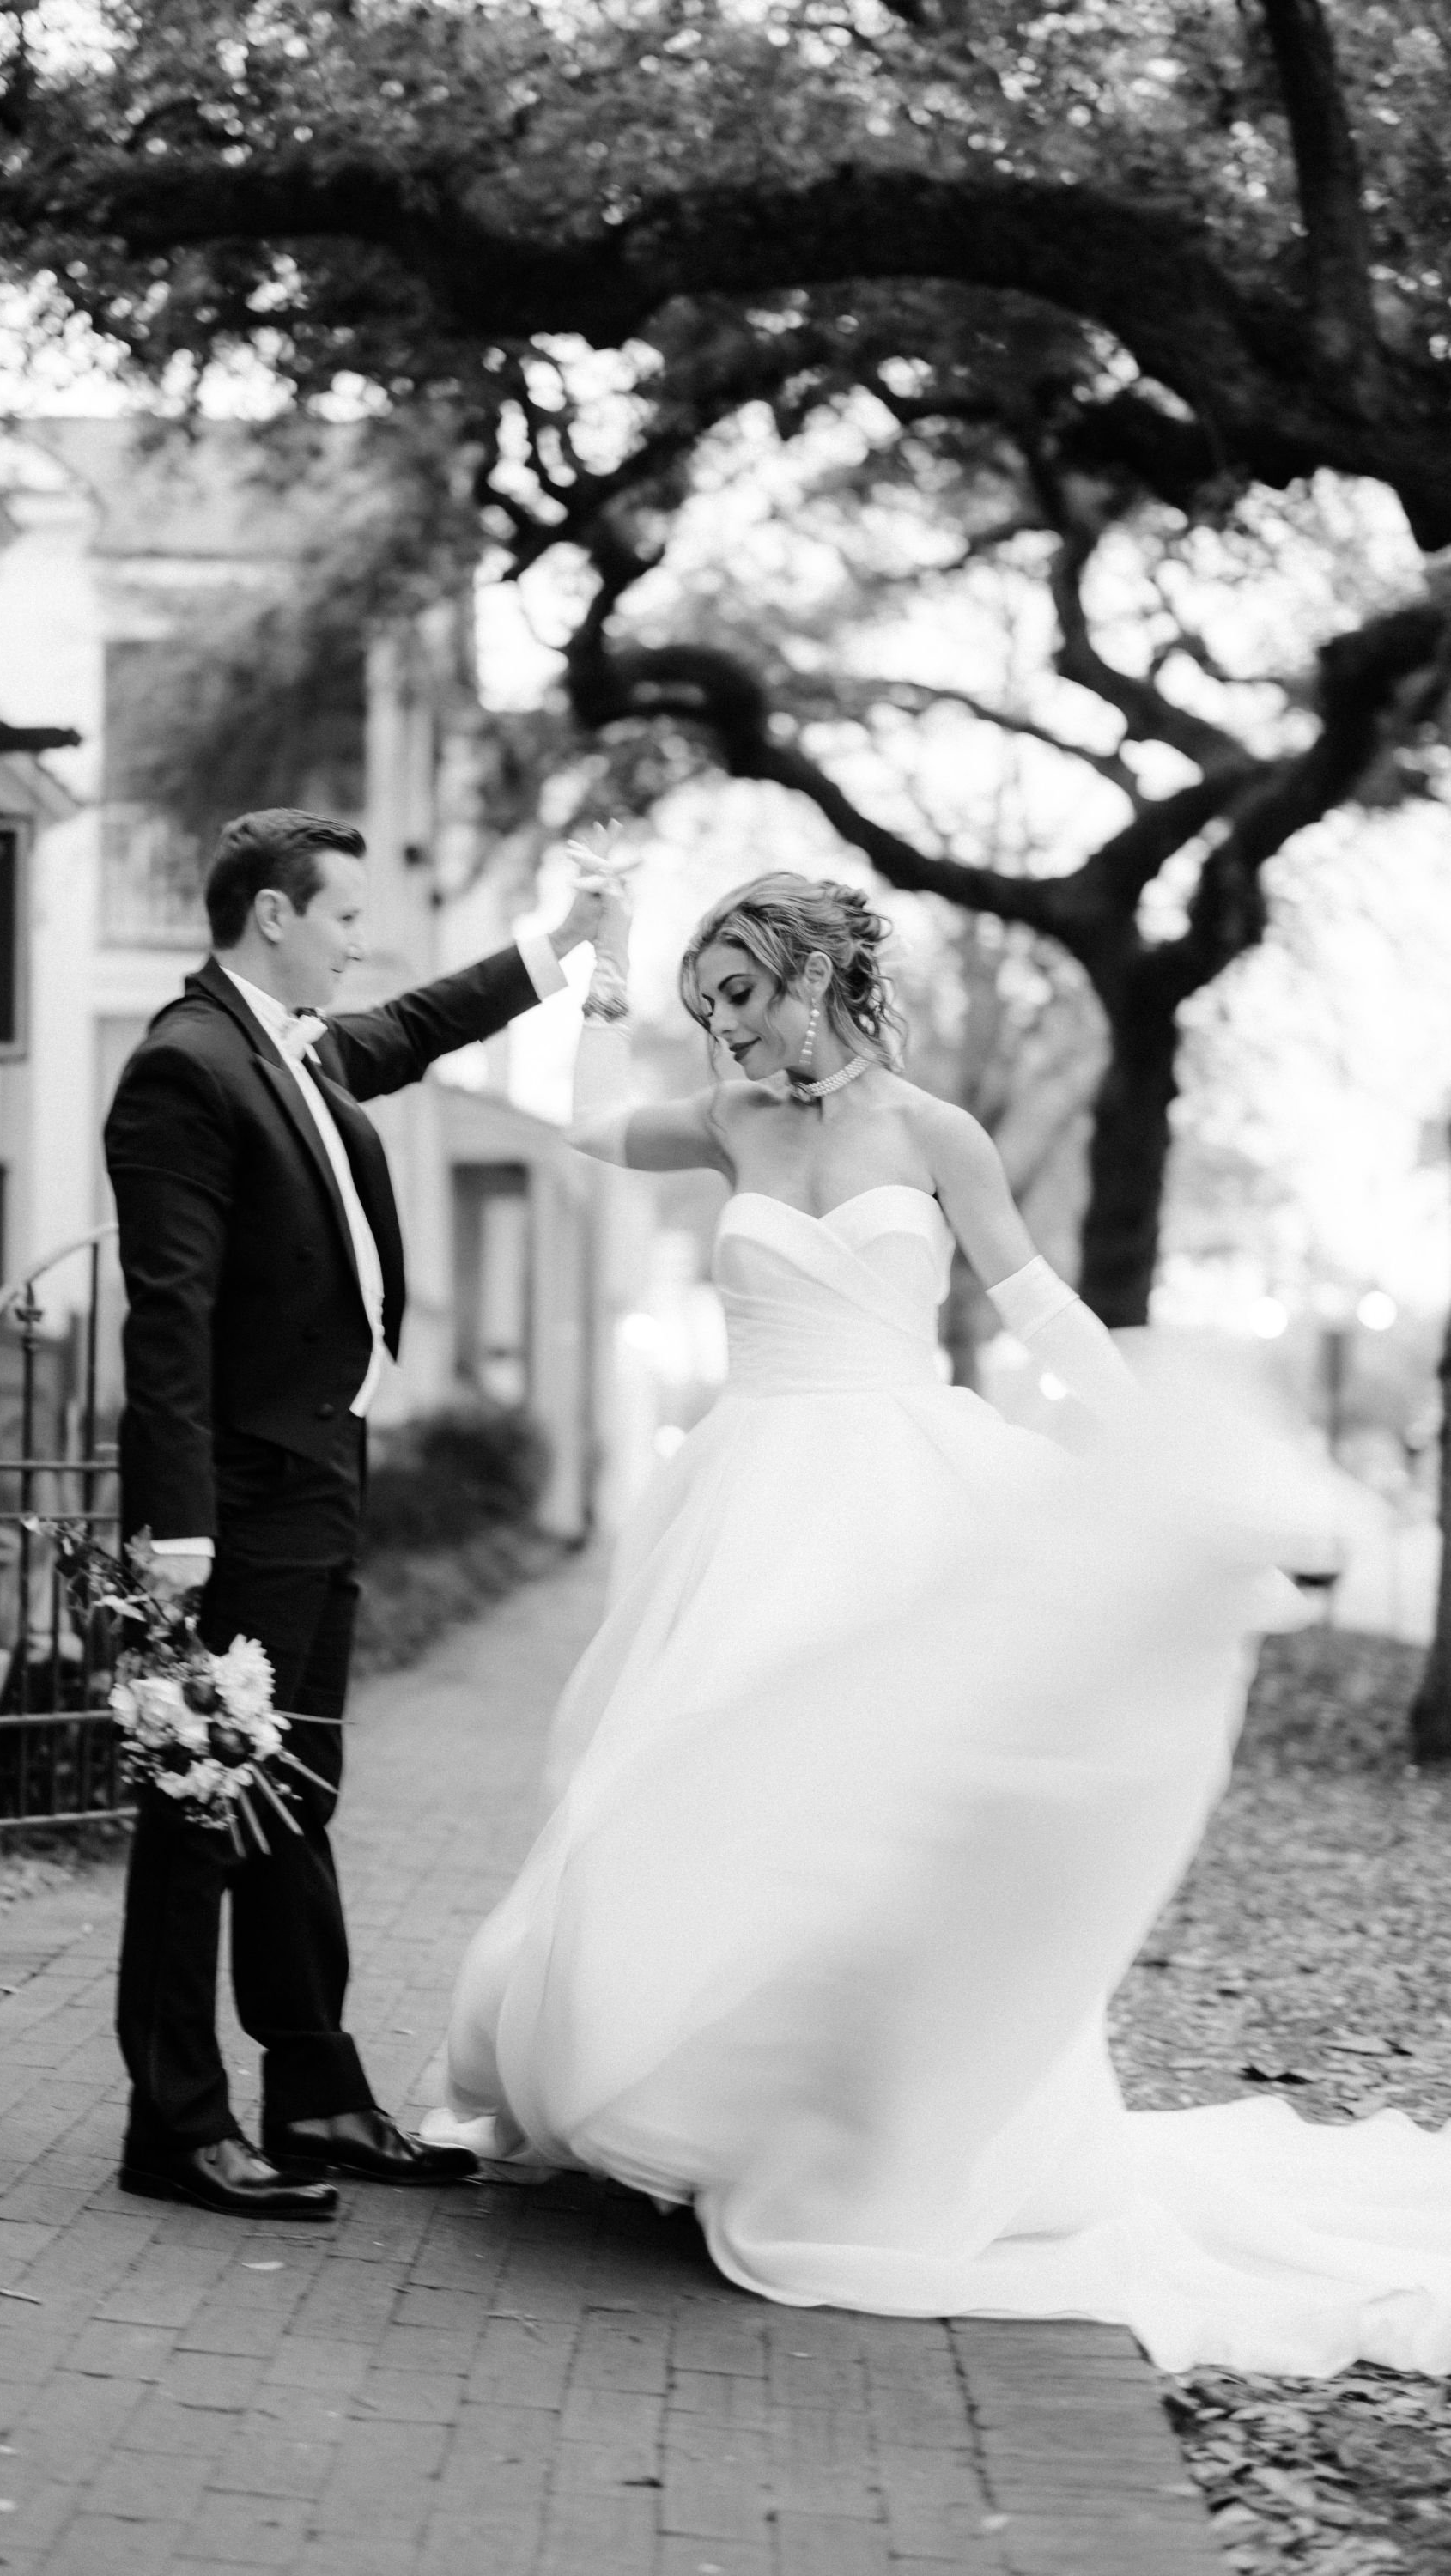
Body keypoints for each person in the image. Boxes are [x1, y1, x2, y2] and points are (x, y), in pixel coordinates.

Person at [428, 861, 1451, 2375]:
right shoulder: (725, 1126)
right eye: (707, 1006)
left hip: (901, 1484)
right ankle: (689, 2094)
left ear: (819, 975)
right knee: (699, 1775)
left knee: (877, 1794)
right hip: (748, 1503)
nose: (724, 1032)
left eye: (741, 996)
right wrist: (599, 969)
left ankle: (846, 2129)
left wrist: (1148, 1455)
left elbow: (1038, 1307)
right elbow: (586, 1129)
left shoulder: (936, 1133)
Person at [104, 805, 604, 2217]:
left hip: (322, 1487)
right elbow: (171, 1316)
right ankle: (176, 2126)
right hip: (239, 1505)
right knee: (200, 1805)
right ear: (273, 915)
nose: (357, 943)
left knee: (294, 1798)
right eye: (340, 919)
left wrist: (557, 953)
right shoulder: (184, 1070)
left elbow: (419, 1024)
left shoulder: (302, 1051)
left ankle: (315, 2095)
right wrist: (177, 1526)